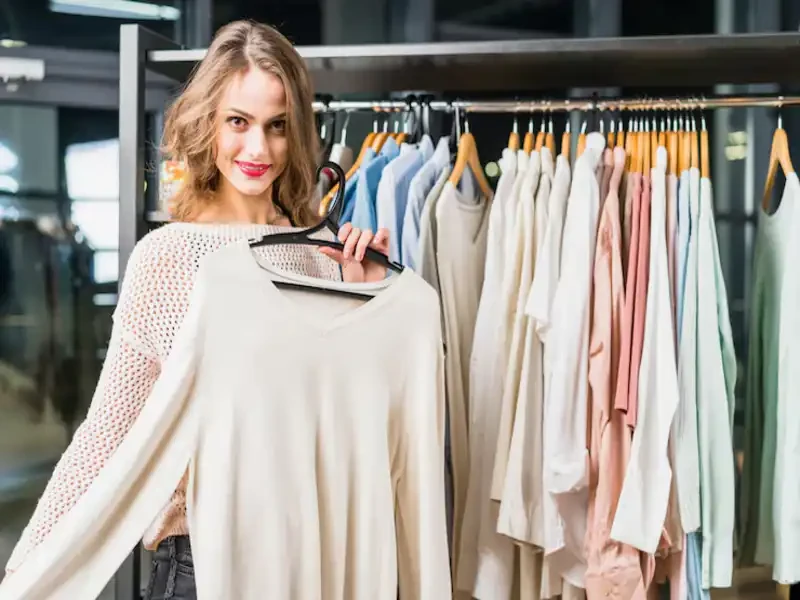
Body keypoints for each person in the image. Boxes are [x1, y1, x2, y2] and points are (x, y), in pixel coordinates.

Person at [4, 20, 390, 599]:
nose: (258, 149)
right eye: (239, 121)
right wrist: (24, 574)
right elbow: (106, 434)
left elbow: (350, 426)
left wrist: (369, 297)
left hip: (311, 558)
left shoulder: (320, 254)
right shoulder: (170, 258)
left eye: (277, 126)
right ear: (209, 120)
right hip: (202, 569)